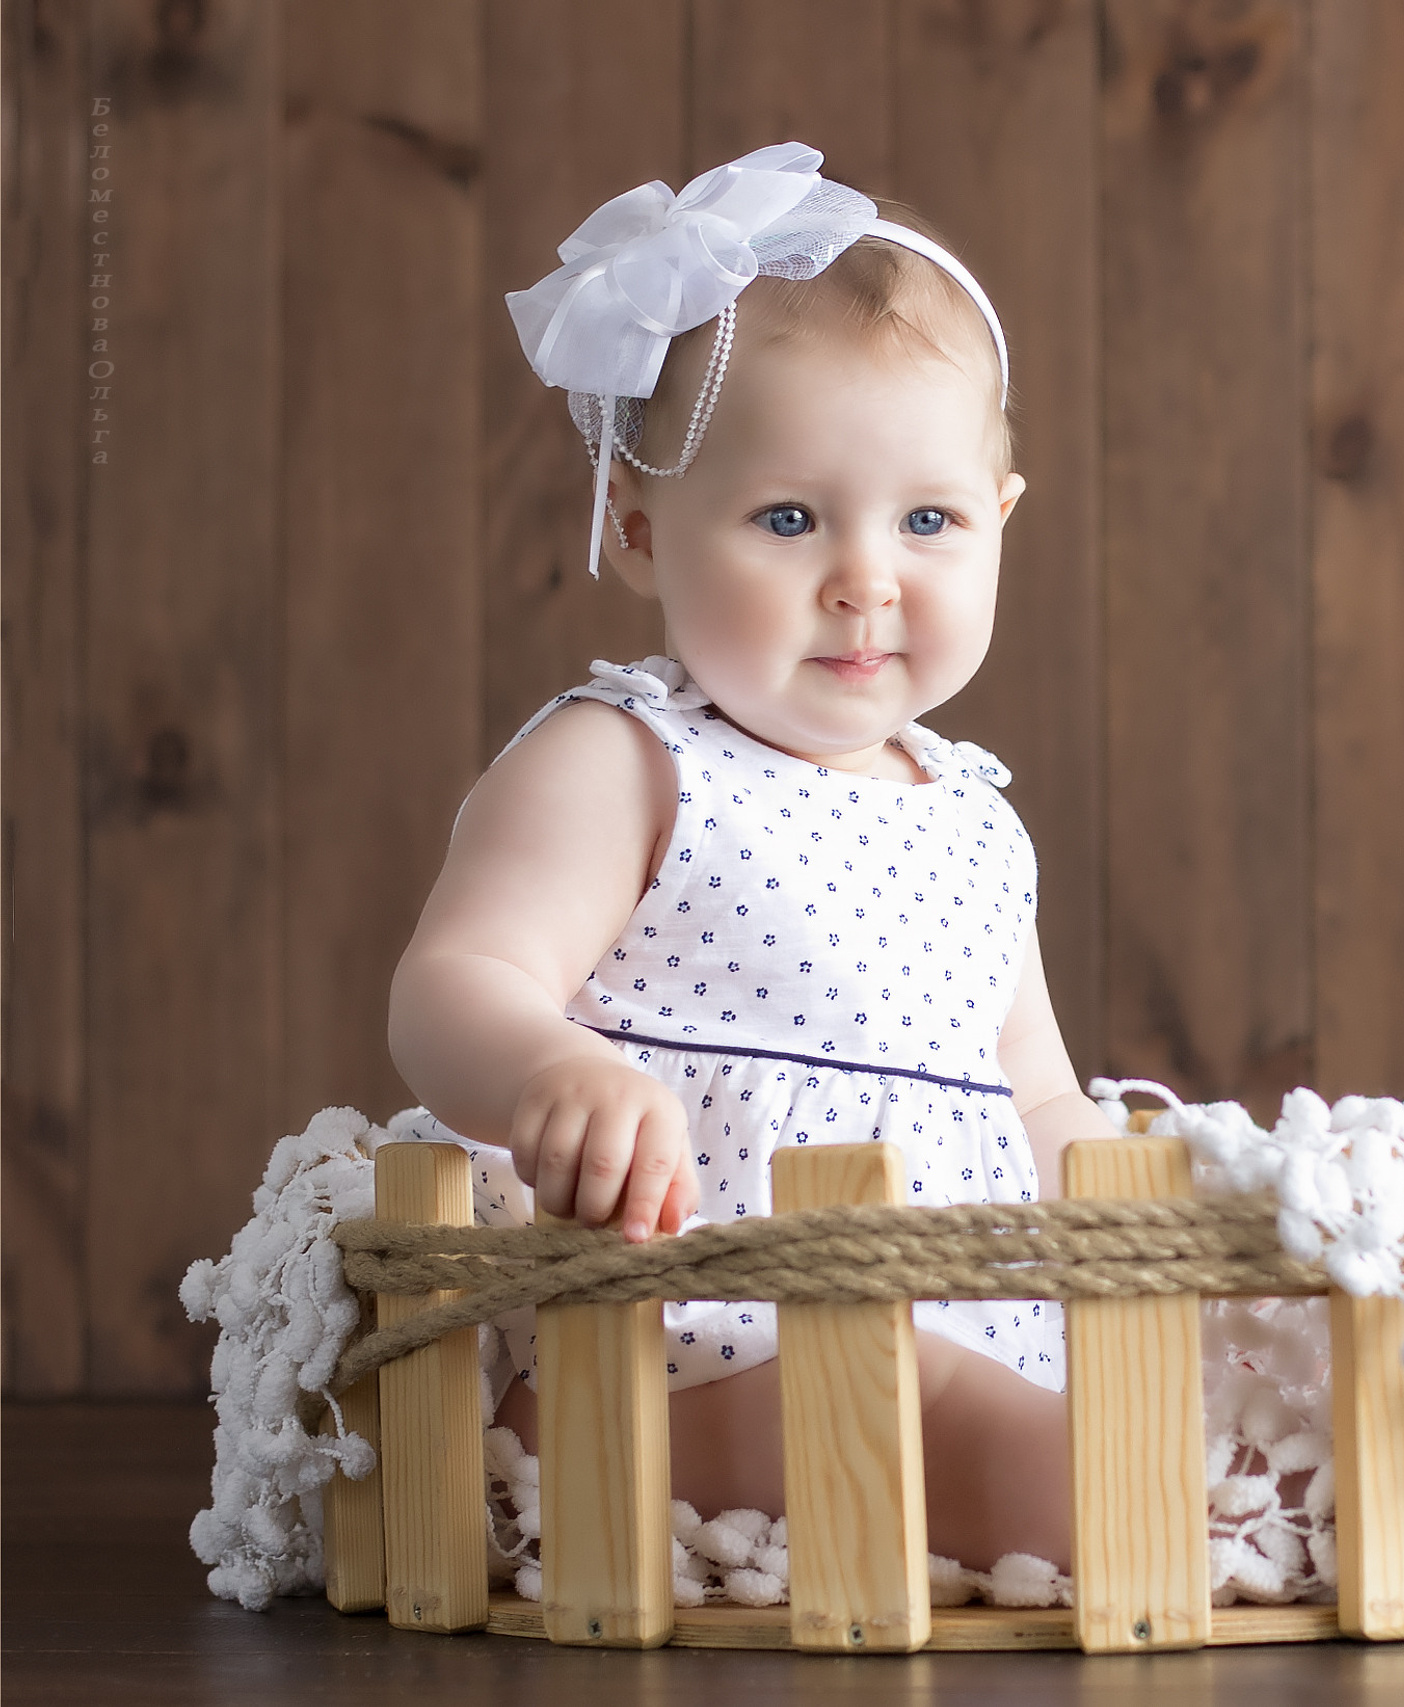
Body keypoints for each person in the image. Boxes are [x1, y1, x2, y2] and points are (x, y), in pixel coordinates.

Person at [387, 143, 1108, 1571]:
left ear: (1001, 519)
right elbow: (455, 980)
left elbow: (1037, 1093)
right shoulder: (629, 760)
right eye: (789, 519)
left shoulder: (975, 817)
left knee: (1155, 1392)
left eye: (929, 521)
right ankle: (1129, 1498)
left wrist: (1157, 1208)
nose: (865, 579)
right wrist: (550, 1071)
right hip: (691, 1342)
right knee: (1022, 1449)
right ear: (639, 531)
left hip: (965, 1333)